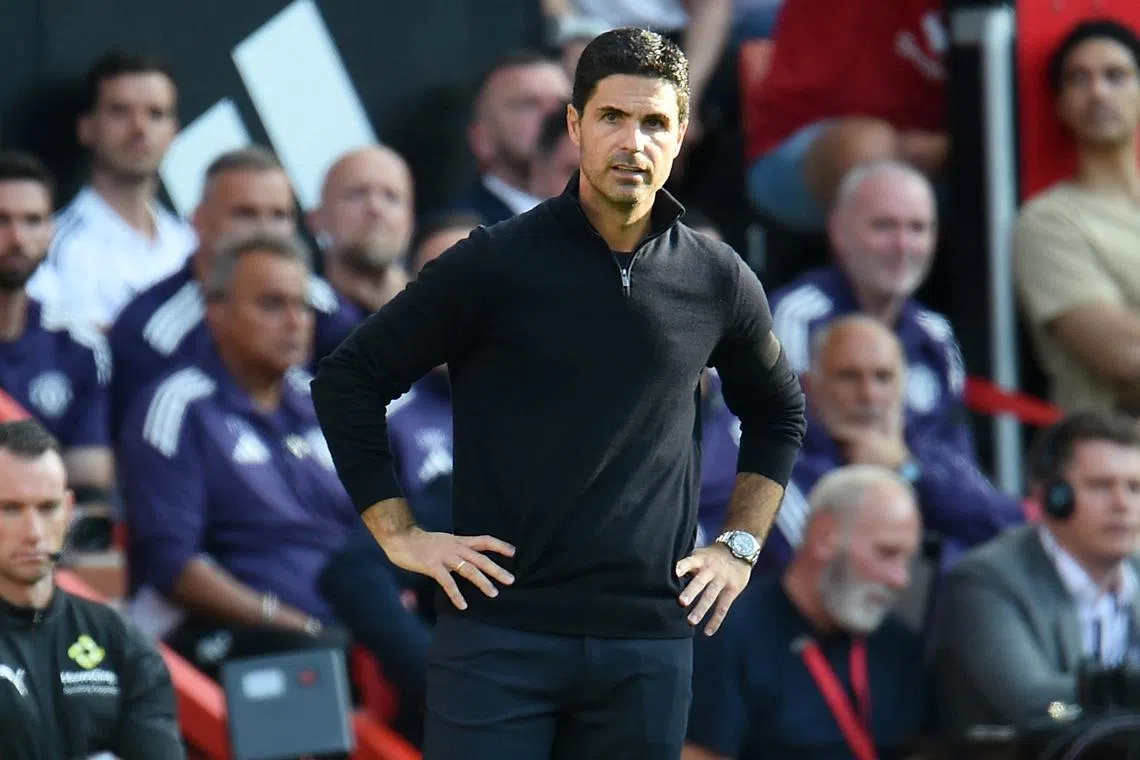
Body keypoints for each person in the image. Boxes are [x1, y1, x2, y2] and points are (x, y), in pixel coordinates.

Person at [312, 28, 806, 759]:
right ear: (575, 125)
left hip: (646, 645)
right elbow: (348, 380)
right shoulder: (493, 262)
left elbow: (778, 413)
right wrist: (400, 535)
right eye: (612, 117)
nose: (632, 141)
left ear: (680, 138)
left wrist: (737, 545)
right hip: (497, 640)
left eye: (655, 122)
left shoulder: (717, 277)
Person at [117, 234, 355, 679]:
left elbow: (367, 531)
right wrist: (285, 619)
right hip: (229, 635)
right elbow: (173, 565)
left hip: (344, 623)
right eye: (271, 304)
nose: (295, 321)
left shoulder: (323, 404)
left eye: (303, 305)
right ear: (216, 313)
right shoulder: (177, 407)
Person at [684, 465, 930, 760]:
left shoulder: (897, 644)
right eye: (887, 553)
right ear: (825, 536)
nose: (901, 579)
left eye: (908, 560)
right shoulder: (728, 632)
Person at [109, 146, 361, 428]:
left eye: (279, 216)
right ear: (200, 221)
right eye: (246, 214)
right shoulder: (149, 330)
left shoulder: (321, 301)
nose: (265, 230)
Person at [933, 410, 1140, 734]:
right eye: (1101, 486)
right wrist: (1126, 690)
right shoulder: (985, 580)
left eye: (1135, 488)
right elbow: (1036, 706)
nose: (1123, 504)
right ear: (1051, 497)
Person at [758, 316, 1020, 573]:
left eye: (882, 377)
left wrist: (906, 470)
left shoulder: (927, 451)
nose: (868, 394)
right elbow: (816, 563)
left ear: (902, 387)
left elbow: (1012, 528)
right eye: (848, 377)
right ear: (812, 386)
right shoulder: (783, 461)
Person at [0, 418, 183, 759]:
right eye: (10, 509)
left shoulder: (120, 641)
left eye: (47, 507)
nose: (33, 531)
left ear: (69, 511)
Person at [771, 161, 970, 456]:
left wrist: (907, 469)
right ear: (838, 231)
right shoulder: (796, 316)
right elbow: (785, 447)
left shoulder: (936, 334)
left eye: (917, 228)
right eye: (884, 226)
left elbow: (958, 463)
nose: (903, 245)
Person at [1014, 21, 1140, 415]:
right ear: (1060, 104)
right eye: (1079, 79)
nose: (1098, 91)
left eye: (1115, 76)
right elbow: (1126, 356)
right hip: (1112, 458)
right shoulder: (1047, 222)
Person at [28, 51, 195, 328]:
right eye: (120, 111)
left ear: (174, 133)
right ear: (86, 128)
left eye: (155, 114)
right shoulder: (53, 245)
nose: (140, 128)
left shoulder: (189, 244)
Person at [0, 151, 114, 501]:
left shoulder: (78, 346)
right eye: (1, 220)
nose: (17, 238)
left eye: (33, 221)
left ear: (51, 231)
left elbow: (91, 475)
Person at [308, 145, 414, 314]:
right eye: (356, 194)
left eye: (391, 196)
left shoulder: (441, 312)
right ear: (316, 218)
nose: (375, 208)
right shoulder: (302, 311)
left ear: (410, 220)